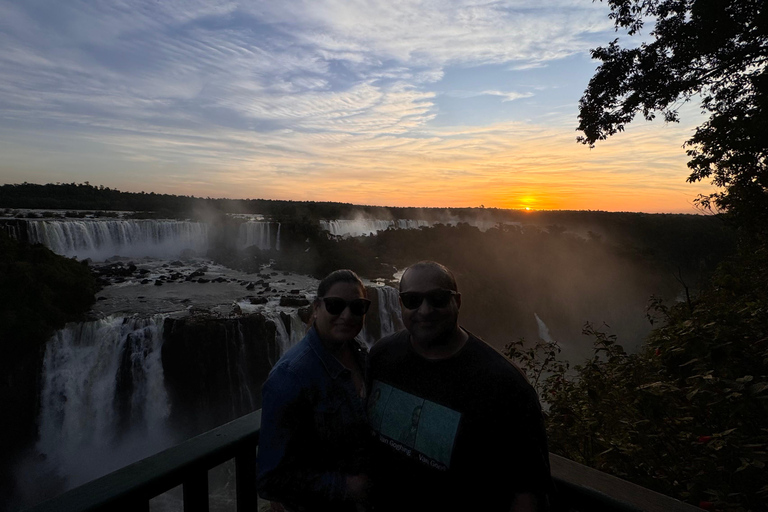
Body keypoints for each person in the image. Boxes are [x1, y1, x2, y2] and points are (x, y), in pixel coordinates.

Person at [366, 261, 552, 511]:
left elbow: (528, 491)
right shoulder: (381, 357)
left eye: (438, 299)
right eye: (412, 300)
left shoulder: (504, 385)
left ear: (458, 301)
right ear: (400, 304)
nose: (425, 310)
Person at [258, 269, 373, 511]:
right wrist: (347, 486)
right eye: (335, 305)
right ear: (316, 307)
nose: (347, 315)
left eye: (357, 307)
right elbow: (270, 479)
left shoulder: (359, 352)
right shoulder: (290, 376)